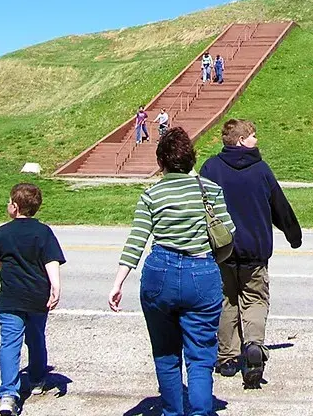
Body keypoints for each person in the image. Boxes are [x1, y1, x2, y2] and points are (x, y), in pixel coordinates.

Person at [108, 127, 235, 416]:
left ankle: (172, 411)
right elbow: (229, 231)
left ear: (160, 162)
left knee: (166, 354)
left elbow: (136, 242)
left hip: (160, 272)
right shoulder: (210, 190)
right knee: (201, 355)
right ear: (191, 160)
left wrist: (118, 283)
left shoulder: (151, 194)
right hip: (201, 272)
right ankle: (201, 411)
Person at [199, 119, 302, 388]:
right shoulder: (260, 170)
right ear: (241, 141)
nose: (257, 140)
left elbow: (202, 206)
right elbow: (280, 207)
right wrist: (293, 235)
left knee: (226, 301)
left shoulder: (211, 168)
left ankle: (227, 358)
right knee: (255, 300)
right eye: (253, 135)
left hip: (222, 250)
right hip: (255, 252)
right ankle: (253, 345)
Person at [0, 183, 65, 416]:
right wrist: (56, 286)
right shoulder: (44, 232)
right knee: (36, 338)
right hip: (37, 297)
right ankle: (37, 377)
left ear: (14, 206)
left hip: (11, 298)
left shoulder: (2, 232)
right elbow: (51, 260)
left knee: (9, 343)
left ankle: (8, 394)